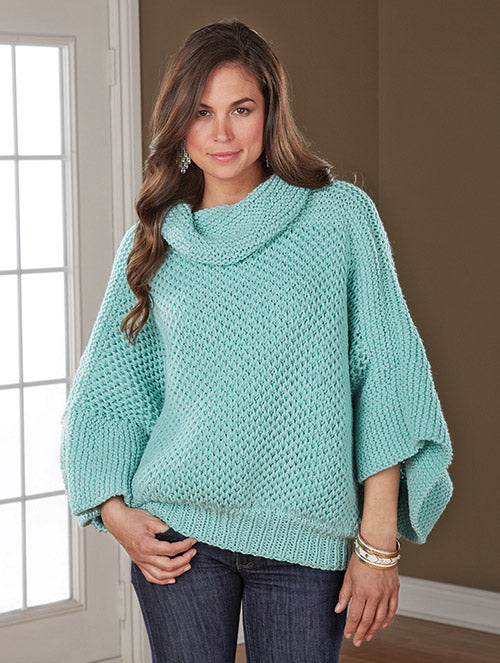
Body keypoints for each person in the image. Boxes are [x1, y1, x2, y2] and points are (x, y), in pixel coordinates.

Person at [60, 18, 454, 663]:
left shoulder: (338, 217)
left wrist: (377, 546)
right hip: (177, 533)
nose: (221, 133)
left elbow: (386, 377)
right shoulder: (152, 242)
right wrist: (114, 513)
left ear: (270, 114)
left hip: (305, 537)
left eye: (240, 109)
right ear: (179, 123)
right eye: (202, 112)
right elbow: (109, 393)